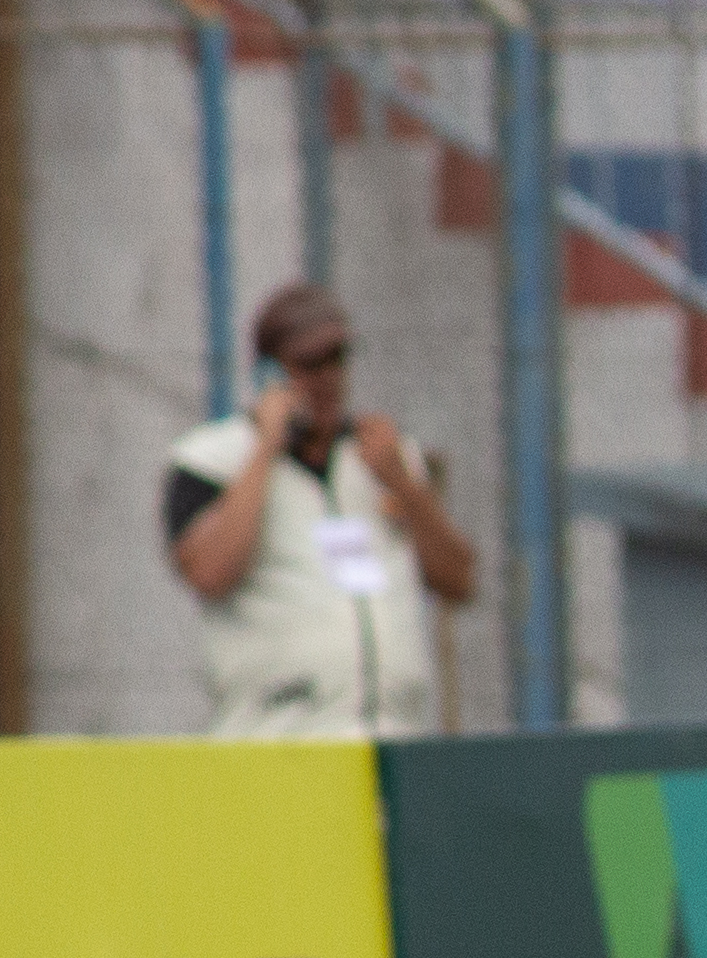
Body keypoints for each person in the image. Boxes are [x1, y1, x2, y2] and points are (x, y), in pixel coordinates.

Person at [162, 282, 476, 736]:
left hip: (388, 732)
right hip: (281, 738)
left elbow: (458, 580)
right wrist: (267, 447)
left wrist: (404, 486)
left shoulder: (382, 457)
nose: (328, 379)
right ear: (271, 374)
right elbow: (209, 572)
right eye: (310, 364)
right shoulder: (212, 459)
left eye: (338, 359)